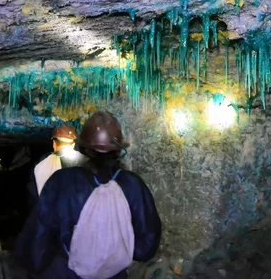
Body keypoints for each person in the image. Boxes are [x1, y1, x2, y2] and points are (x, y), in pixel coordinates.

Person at [14, 111, 161, 279]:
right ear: (119, 150)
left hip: (66, 270)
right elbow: (147, 246)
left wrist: (34, 265)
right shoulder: (133, 185)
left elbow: (39, 234)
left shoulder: (63, 181)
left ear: (83, 148)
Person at [27, 124, 87, 209]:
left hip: (48, 216)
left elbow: (33, 197)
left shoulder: (40, 164)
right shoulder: (86, 162)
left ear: (54, 143)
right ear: (73, 144)